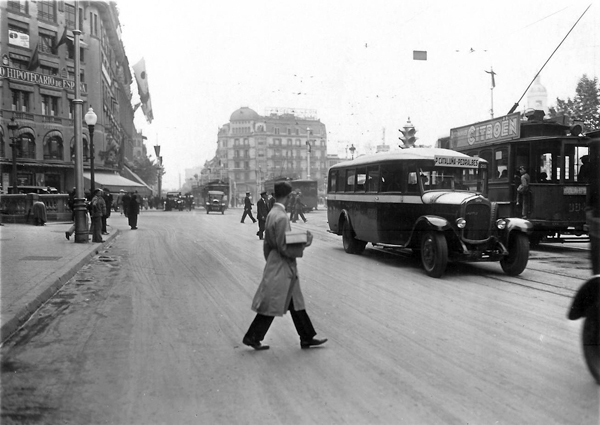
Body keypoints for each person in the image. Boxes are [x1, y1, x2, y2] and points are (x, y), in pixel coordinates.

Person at [243, 181, 327, 350]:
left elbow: (269, 244)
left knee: (294, 301)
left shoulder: (273, 213)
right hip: (283, 264)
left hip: (276, 262)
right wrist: (304, 243)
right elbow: (284, 245)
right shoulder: (281, 217)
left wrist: (271, 260)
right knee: (273, 302)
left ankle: (307, 337)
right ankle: (252, 336)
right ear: (288, 197)